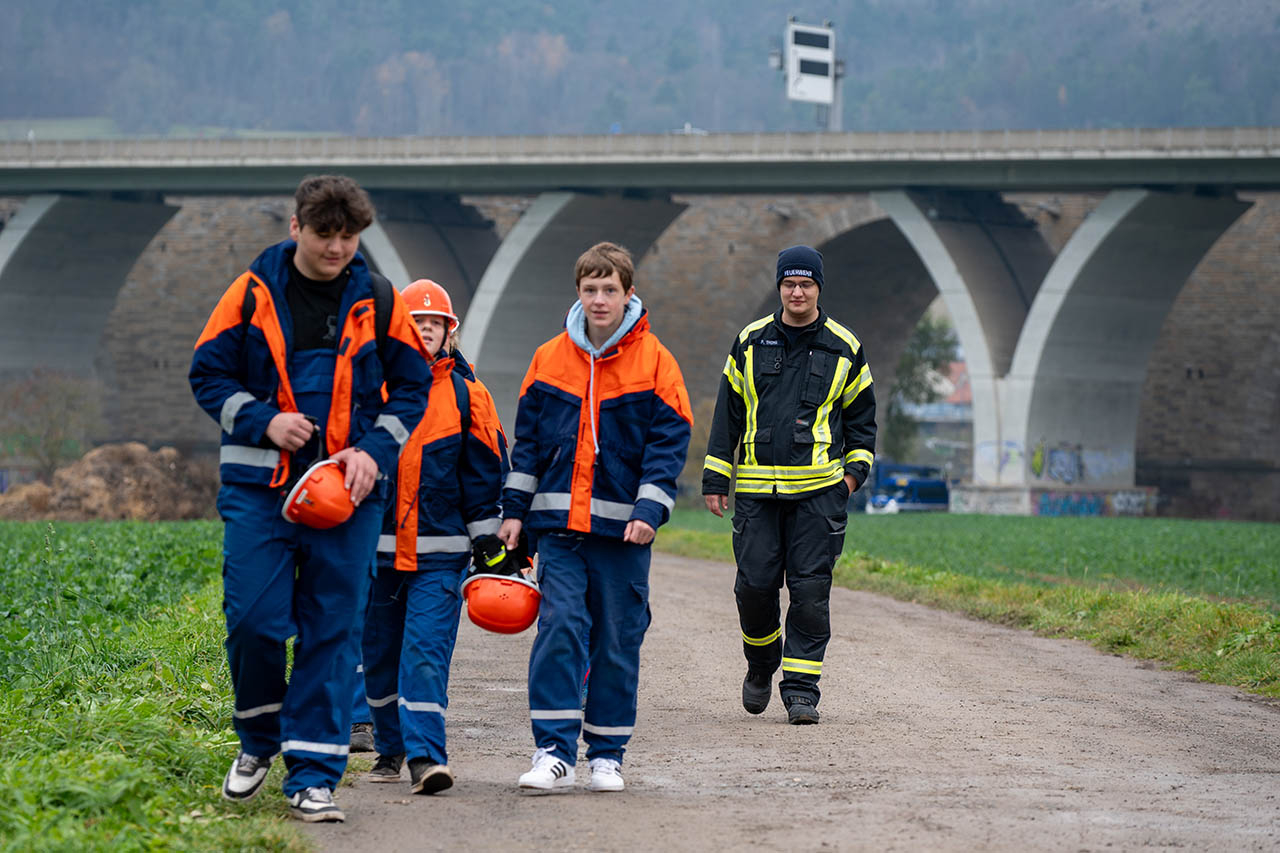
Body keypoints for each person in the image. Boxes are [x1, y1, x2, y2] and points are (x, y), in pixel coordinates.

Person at [189, 175, 431, 822]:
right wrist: (262, 419)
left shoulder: (381, 300)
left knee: (333, 630)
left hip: (348, 495)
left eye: (349, 236)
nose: (338, 248)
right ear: (296, 227)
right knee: (253, 621)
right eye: (325, 234)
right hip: (259, 491)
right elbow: (205, 373)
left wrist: (372, 453)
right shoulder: (247, 295)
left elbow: (415, 391)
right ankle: (258, 743)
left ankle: (313, 773)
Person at [498, 241, 692, 793]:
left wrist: (650, 509)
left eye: (610, 289)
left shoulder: (657, 361)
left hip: (623, 533)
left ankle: (607, 755)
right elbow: (528, 446)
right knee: (560, 629)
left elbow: (667, 443)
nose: (600, 299)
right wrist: (514, 513)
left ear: (629, 293)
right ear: (577, 293)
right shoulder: (547, 358)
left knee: (616, 640)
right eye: (590, 289)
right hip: (557, 530)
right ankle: (553, 751)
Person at [701, 245, 877, 725]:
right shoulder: (750, 341)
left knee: (810, 593)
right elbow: (727, 417)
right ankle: (761, 665)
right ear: (779, 287)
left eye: (806, 284)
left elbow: (863, 424)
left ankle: (802, 691)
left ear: (819, 288)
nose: (797, 292)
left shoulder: (845, 347)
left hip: (820, 497)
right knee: (754, 588)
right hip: (758, 496)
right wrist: (717, 476)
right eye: (789, 284)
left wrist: (851, 477)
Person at [361, 278, 510, 795]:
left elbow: (486, 477)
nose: (426, 331)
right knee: (377, 661)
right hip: (373, 557)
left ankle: (426, 758)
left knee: (424, 654)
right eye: (416, 323)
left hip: (442, 557)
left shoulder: (470, 397)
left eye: (435, 324)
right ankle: (390, 747)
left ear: (451, 333)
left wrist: (492, 544)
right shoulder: (368, 389)